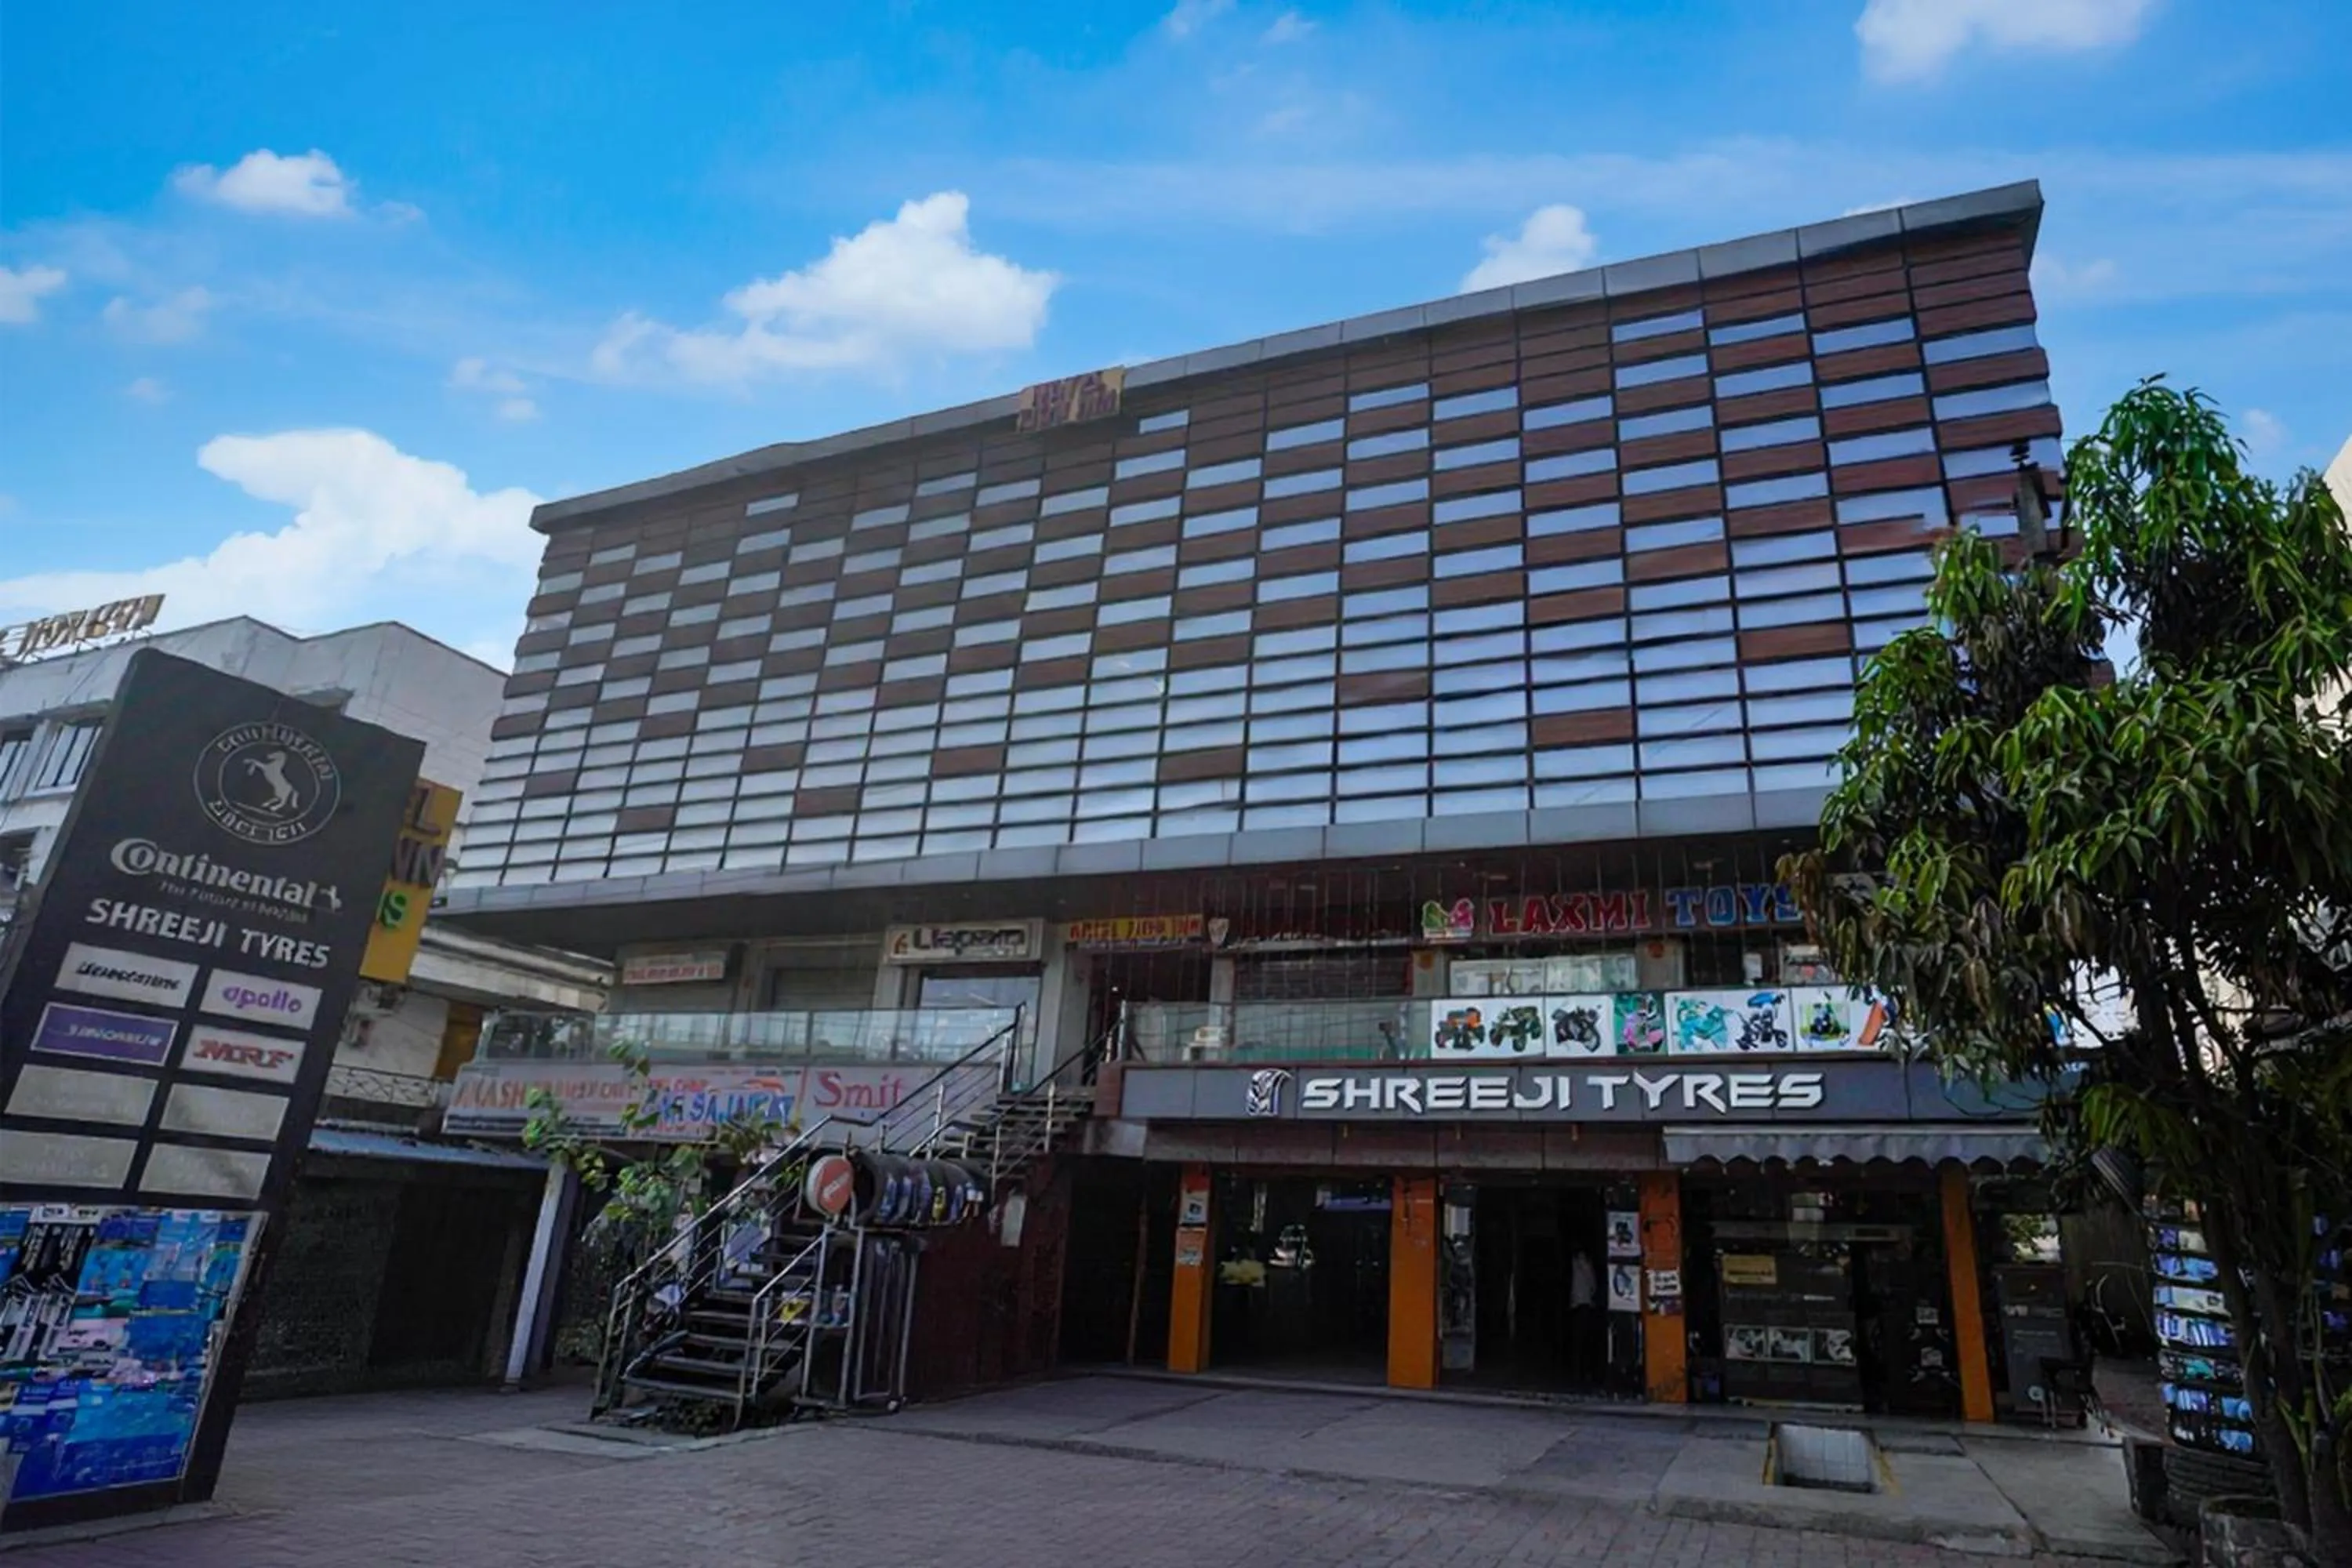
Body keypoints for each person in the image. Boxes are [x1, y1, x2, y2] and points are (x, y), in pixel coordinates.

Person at [1569, 1248, 1599, 1385]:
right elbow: (1593, 1284)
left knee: (1580, 1341)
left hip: (1581, 1305)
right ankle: (1583, 1372)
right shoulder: (1584, 1263)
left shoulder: (1579, 1263)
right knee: (1584, 1341)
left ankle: (1579, 1373)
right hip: (1584, 1304)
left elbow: (1590, 1284)